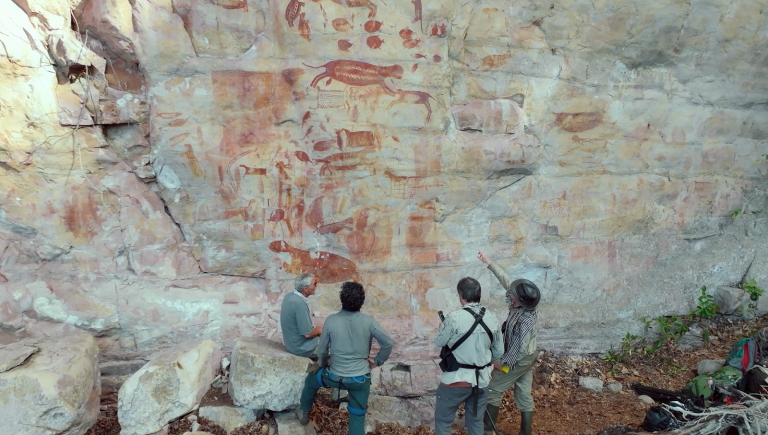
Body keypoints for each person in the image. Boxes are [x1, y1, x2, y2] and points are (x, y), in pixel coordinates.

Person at [297, 281, 393, 435]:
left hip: (333, 377)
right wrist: (377, 361)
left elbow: (322, 350)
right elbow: (387, 343)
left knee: (312, 378)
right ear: (361, 301)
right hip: (359, 380)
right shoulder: (368, 321)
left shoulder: (331, 320)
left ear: (342, 299)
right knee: (357, 417)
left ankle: (304, 412)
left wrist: (322, 365)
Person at [478, 251, 541, 435]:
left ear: (520, 302)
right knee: (523, 392)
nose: (510, 294)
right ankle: (525, 432)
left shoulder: (526, 321)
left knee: (493, 388)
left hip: (520, 359)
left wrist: (501, 364)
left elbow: (518, 350)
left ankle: (487, 431)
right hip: (528, 358)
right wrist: (489, 263)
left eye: (513, 295)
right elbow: (507, 281)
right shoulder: (522, 302)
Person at [434, 277, 503, 435]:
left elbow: (439, 341)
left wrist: (441, 327)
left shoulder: (453, 318)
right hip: (482, 381)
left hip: (457, 380)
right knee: (475, 422)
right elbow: (498, 352)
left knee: (443, 421)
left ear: (461, 295)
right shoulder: (492, 317)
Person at [280, 273, 322, 358]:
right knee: (336, 344)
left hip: (291, 344)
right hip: (301, 348)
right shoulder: (299, 303)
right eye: (314, 284)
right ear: (305, 288)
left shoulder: (289, 296)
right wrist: (319, 330)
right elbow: (308, 334)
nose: (316, 286)